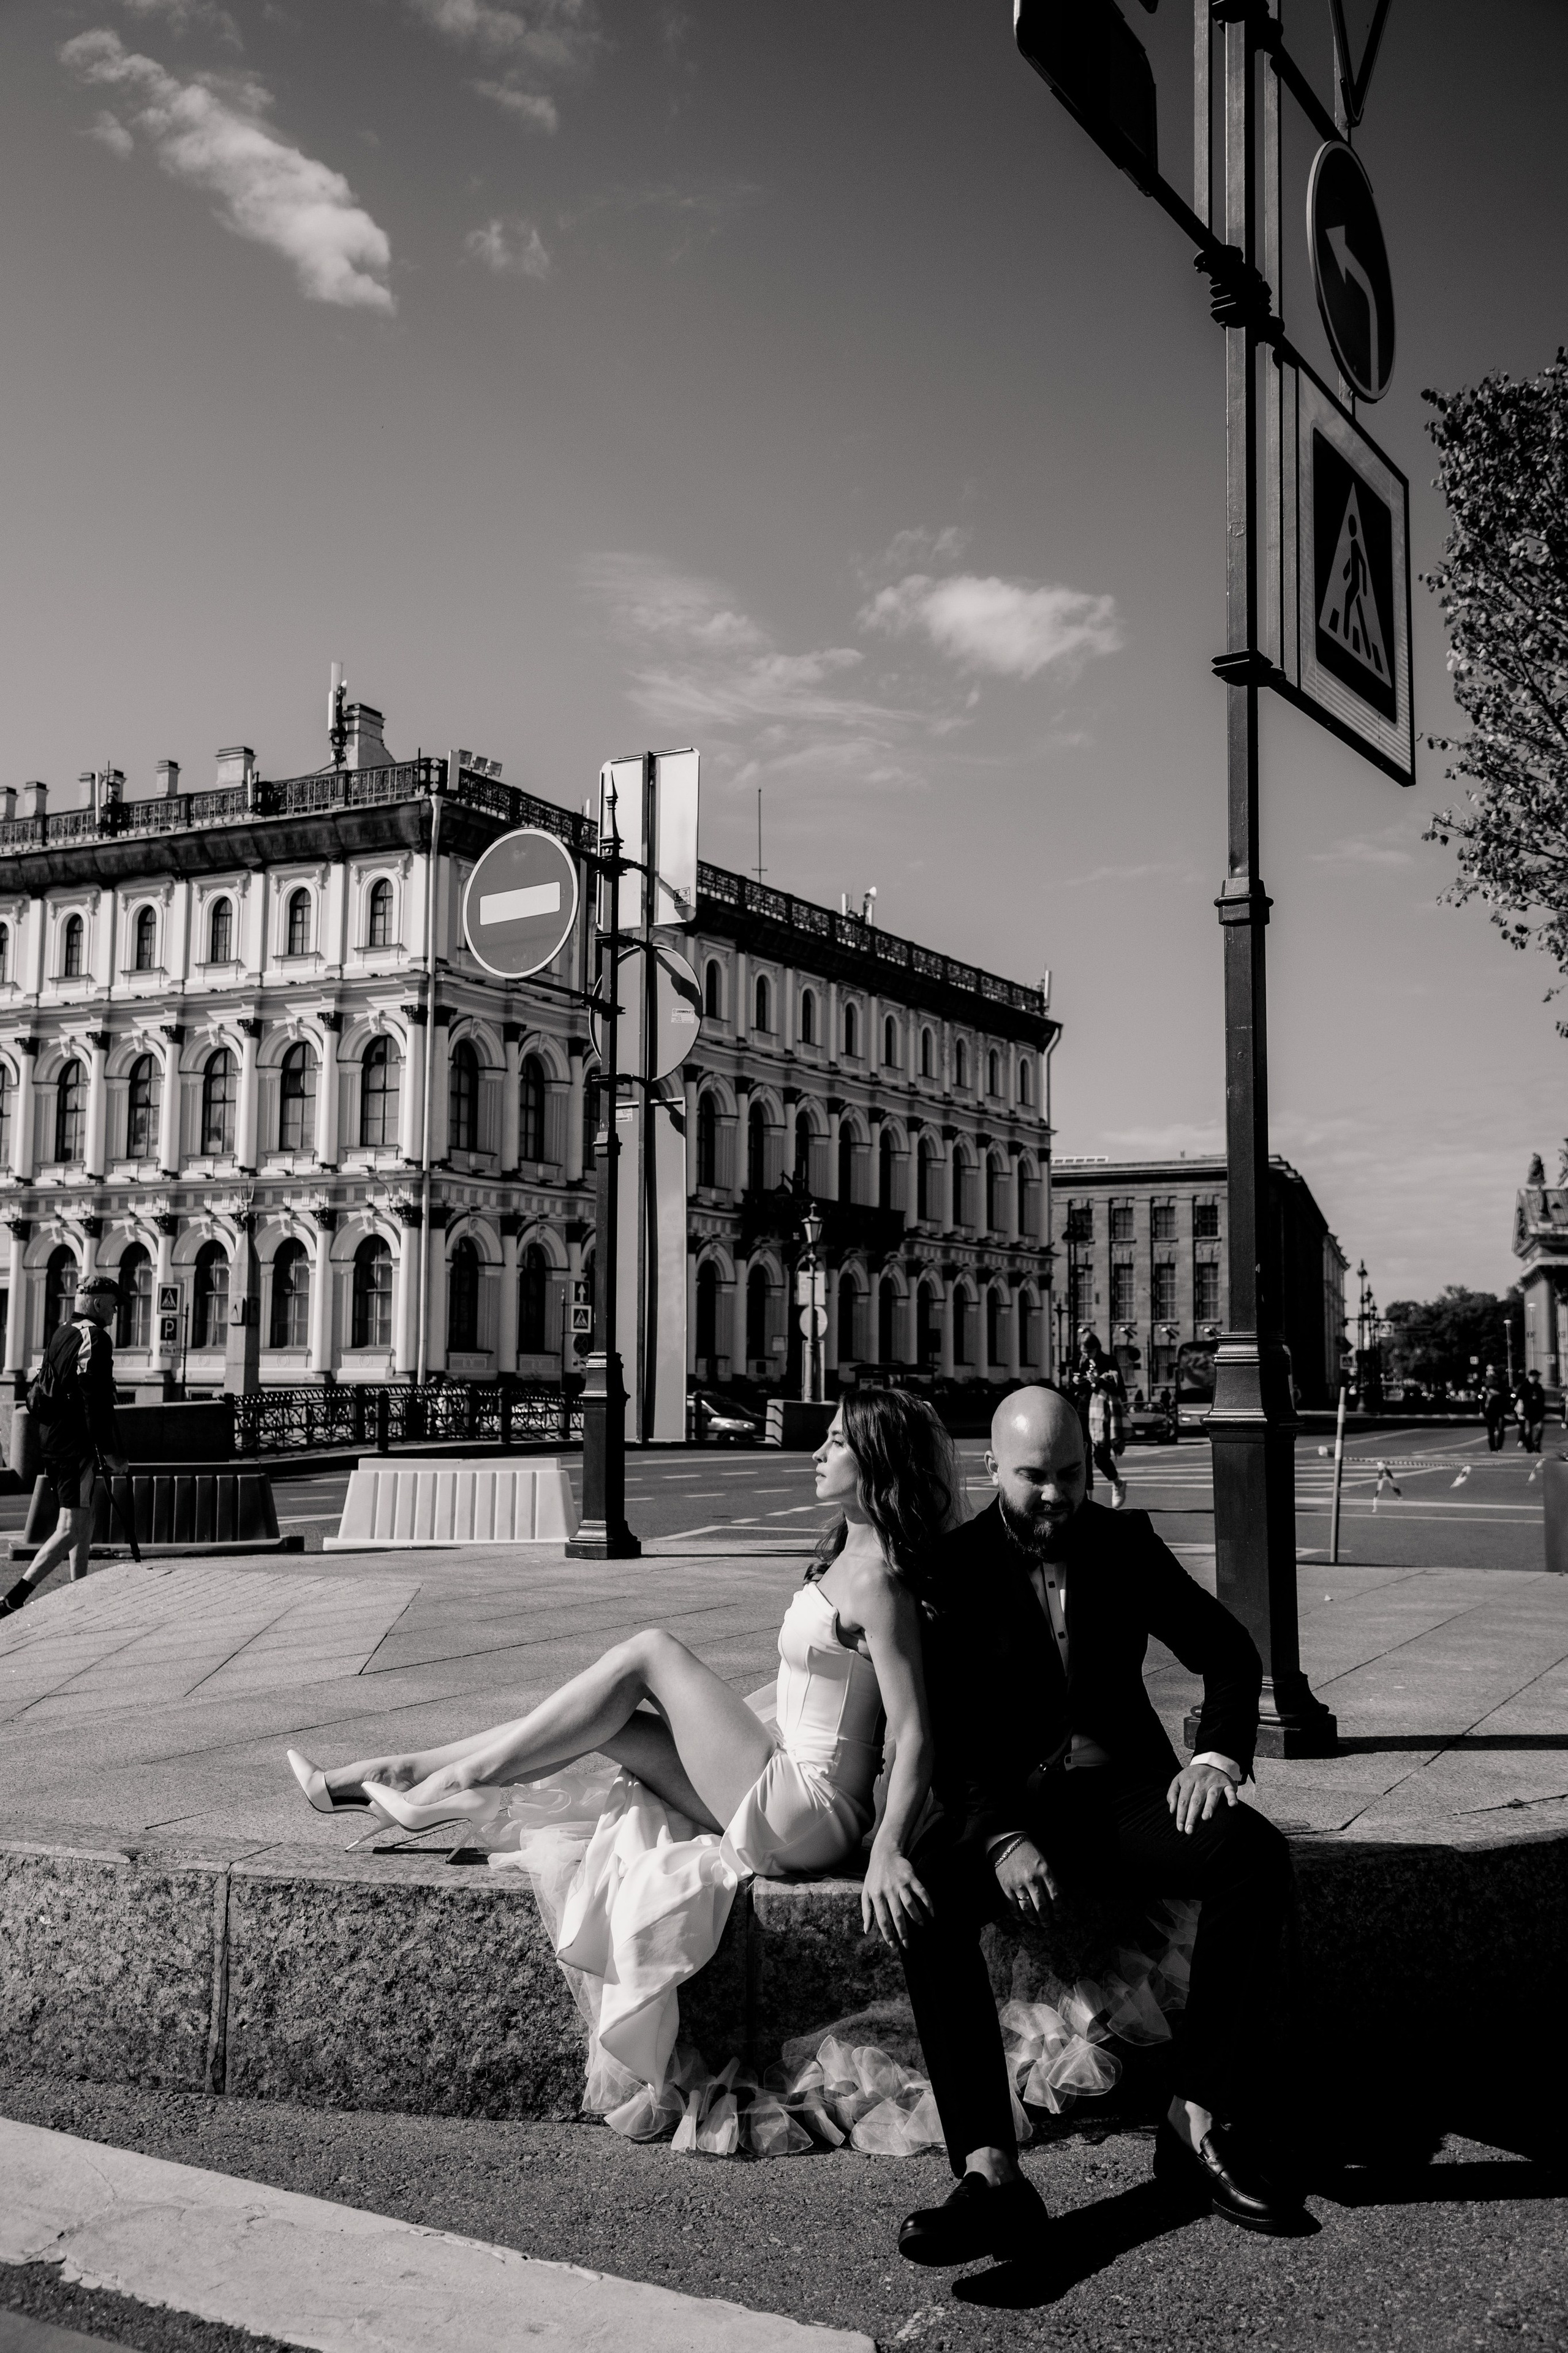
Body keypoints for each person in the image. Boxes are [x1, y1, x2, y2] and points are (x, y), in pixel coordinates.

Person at [285, 1390, 958, 2091]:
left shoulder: (880, 1579)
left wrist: (886, 1850)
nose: (817, 1452)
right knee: (617, 1726)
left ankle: (454, 1783)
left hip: (809, 1809)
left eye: (838, 1442)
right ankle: (405, 1771)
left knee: (650, 1652)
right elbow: (808, 1694)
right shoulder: (846, 1557)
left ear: (879, 1462)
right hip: (787, 1782)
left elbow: (914, 1733)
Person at [894, 1385, 1301, 2269]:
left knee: (1255, 1857)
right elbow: (946, 1730)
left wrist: (1214, 1761)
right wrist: (1000, 1837)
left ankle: (1197, 2118)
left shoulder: (1125, 1542)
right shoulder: (950, 1567)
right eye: (1035, 1477)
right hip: (1005, 1808)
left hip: (1121, 1796)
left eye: (1071, 1473)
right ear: (992, 1469)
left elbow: (1229, 1651)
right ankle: (990, 2175)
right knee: (924, 1899)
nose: (1056, 1494)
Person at [0, 1274, 128, 1618]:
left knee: (82, 1517)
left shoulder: (61, 1333)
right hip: (76, 1445)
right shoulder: (96, 1338)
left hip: (52, 1439)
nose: (115, 1314)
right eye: (114, 1307)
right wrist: (112, 1451)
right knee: (70, 1527)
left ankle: (78, 1590)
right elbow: (95, 1401)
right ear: (99, 1303)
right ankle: (13, 1598)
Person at [1087, 1367, 1128, 1509]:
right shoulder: (1082, 1362)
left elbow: (1117, 1386)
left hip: (1101, 1422)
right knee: (1083, 1460)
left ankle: (1118, 1483)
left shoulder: (1105, 1364)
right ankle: (1086, 1502)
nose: (1086, 1355)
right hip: (1083, 1414)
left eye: (1089, 1351)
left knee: (1100, 1458)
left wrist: (1099, 1380)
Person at [1515, 1369, 1547, 1454]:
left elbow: (1542, 1400)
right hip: (1527, 1413)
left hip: (1538, 1413)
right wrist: (1520, 1412)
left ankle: (1536, 1445)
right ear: (1532, 1376)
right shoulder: (1524, 1386)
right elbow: (1519, 1399)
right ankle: (1529, 1448)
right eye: (1537, 1376)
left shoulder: (1538, 1387)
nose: (1538, 1378)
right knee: (1528, 1432)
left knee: (1540, 1429)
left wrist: (1543, 1411)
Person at [1482, 1367, 1510, 1454]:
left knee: (1500, 1430)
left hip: (1499, 1410)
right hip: (1490, 1411)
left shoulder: (1500, 1382)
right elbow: (1482, 1400)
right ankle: (1494, 1448)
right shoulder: (1486, 1384)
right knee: (1492, 1431)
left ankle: (1498, 1447)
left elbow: (1506, 1393)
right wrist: (1482, 1410)